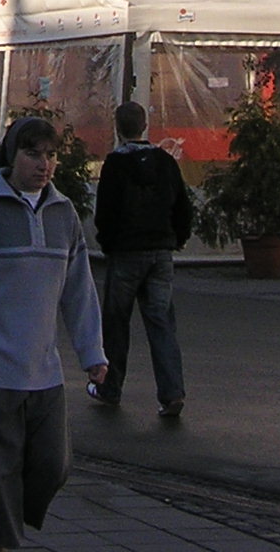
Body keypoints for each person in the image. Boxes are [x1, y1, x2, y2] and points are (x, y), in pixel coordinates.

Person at [0, 116, 107, 552]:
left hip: (44, 373)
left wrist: (92, 353)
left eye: (51, 155)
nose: (43, 164)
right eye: (33, 154)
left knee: (53, 464)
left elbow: (79, 289)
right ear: (12, 156)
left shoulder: (63, 213)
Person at [89, 101, 191, 417]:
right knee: (161, 323)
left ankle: (110, 387)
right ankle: (172, 393)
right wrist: (176, 238)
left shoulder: (115, 165)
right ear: (145, 125)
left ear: (117, 127)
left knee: (116, 322)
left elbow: (106, 212)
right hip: (161, 251)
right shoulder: (165, 162)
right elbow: (182, 206)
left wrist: (108, 243)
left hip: (126, 252)